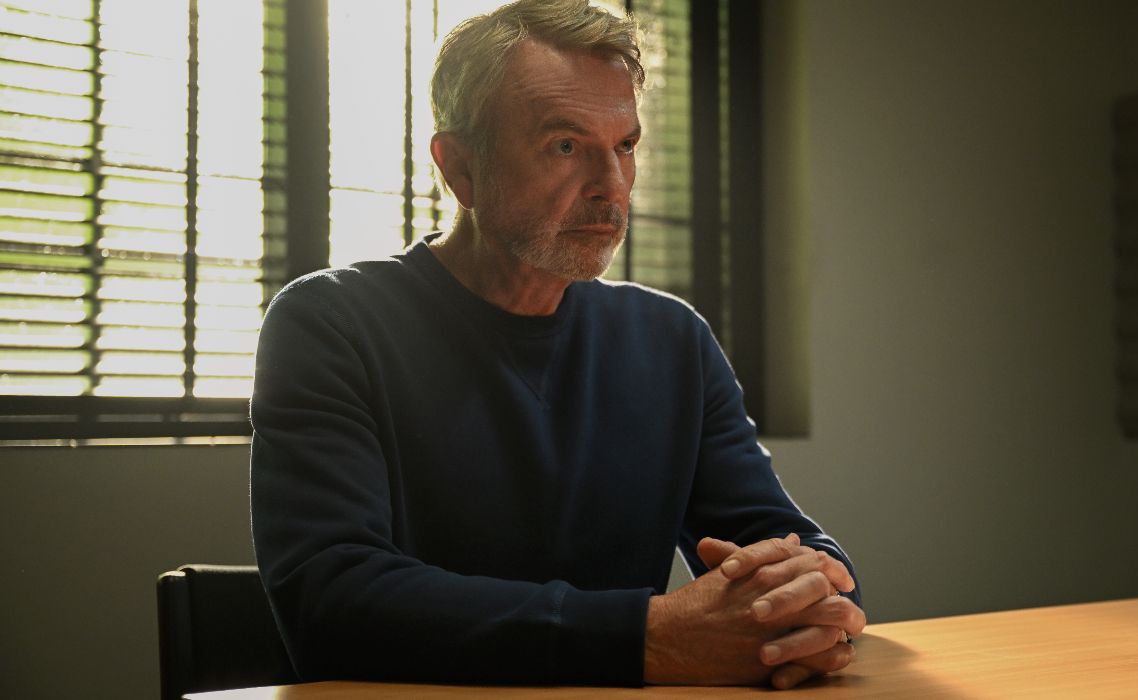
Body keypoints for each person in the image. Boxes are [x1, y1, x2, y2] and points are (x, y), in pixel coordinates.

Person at [249, 0, 863, 690]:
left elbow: (784, 542)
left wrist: (814, 592)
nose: (611, 189)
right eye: (565, 146)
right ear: (461, 169)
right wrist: (650, 638)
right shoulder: (329, 323)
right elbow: (332, 603)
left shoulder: (672, 340)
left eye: (624, 146)